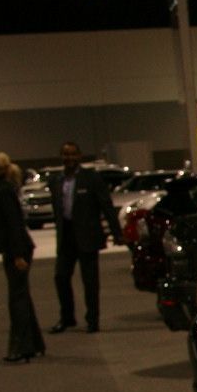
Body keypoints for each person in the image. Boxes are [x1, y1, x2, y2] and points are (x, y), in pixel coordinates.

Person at [0, 151, 45, 363]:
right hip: (15, 249)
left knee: (17, 299)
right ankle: (35, 343)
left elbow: (14, 225)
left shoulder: (3, 192)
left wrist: (18, 254)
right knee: (21, 296)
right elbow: (0, 227)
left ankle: (21, 347)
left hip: (17, 251)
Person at [47, 141, 120, 333]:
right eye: (65, 154)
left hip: (88, 236)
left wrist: (116, 233)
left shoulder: (91, 178)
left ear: (79, 156)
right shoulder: (56, 181)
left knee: (90, 282)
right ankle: (67, 317)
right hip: (66, 237)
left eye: (72, 154)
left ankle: (92, 319)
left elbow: (107, 206)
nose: (68, 158)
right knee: (60, 277)